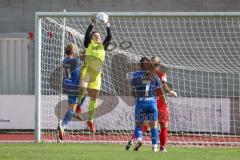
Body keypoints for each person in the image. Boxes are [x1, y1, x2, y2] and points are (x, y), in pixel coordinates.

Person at [126, 56, 177, 152]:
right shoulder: (160, 74)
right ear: (158, 65)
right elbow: (164, 87)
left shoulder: (138, 74)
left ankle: (134, 140)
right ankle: (160, 147)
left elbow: (132, 89)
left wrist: (136, 97)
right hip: (157, 103)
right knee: (162, 125)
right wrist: (170, 92)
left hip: (142, 102)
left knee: (142, 124)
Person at [78, 17, 112, 133]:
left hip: (97, 75)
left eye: (98, 35)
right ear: (92, 38)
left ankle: (90, 121)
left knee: (94, 99)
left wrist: (107, 25)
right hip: (87, 71)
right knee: (82, 88)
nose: (97, 36)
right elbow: (87, 35)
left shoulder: (103, 46)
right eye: (95, 35)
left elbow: (109, 37)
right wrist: (92, 24)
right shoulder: (88, 45)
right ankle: (78, 106)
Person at [128, 57, 163, 152]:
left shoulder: (135, 75)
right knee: (154, 126)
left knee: (139, 125)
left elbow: (132, 91)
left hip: (140, 103)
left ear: (140, 65)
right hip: (152, 103)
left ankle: (139, 139)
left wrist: (137, 97)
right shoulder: (154, 75)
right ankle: (154, 147)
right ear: (149, 64)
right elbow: (161, 90)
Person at [57, 43, 84, 140]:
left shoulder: (64, 60)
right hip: (73, 85)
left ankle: (74, 112)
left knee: (73, 104)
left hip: (67, 84)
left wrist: (74, 47)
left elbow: (76, 55)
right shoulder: (75, 61)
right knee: (72, 107)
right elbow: (82, 57)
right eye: (75, 49)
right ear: (72, 51)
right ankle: (63, 126)